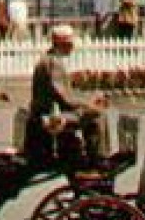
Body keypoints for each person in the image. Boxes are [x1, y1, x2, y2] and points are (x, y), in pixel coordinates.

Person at [25, 25, 109, 166]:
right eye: (70, 43)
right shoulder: (54, 63)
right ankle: (97, 160)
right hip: (50, 116)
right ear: (61, 43)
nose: (73, 46)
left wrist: (85, 102)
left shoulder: (47, 59)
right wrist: (90, 105)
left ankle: (88, 158)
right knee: (97, 116)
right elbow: (64, 98)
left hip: (45, 112)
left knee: (90, 112)